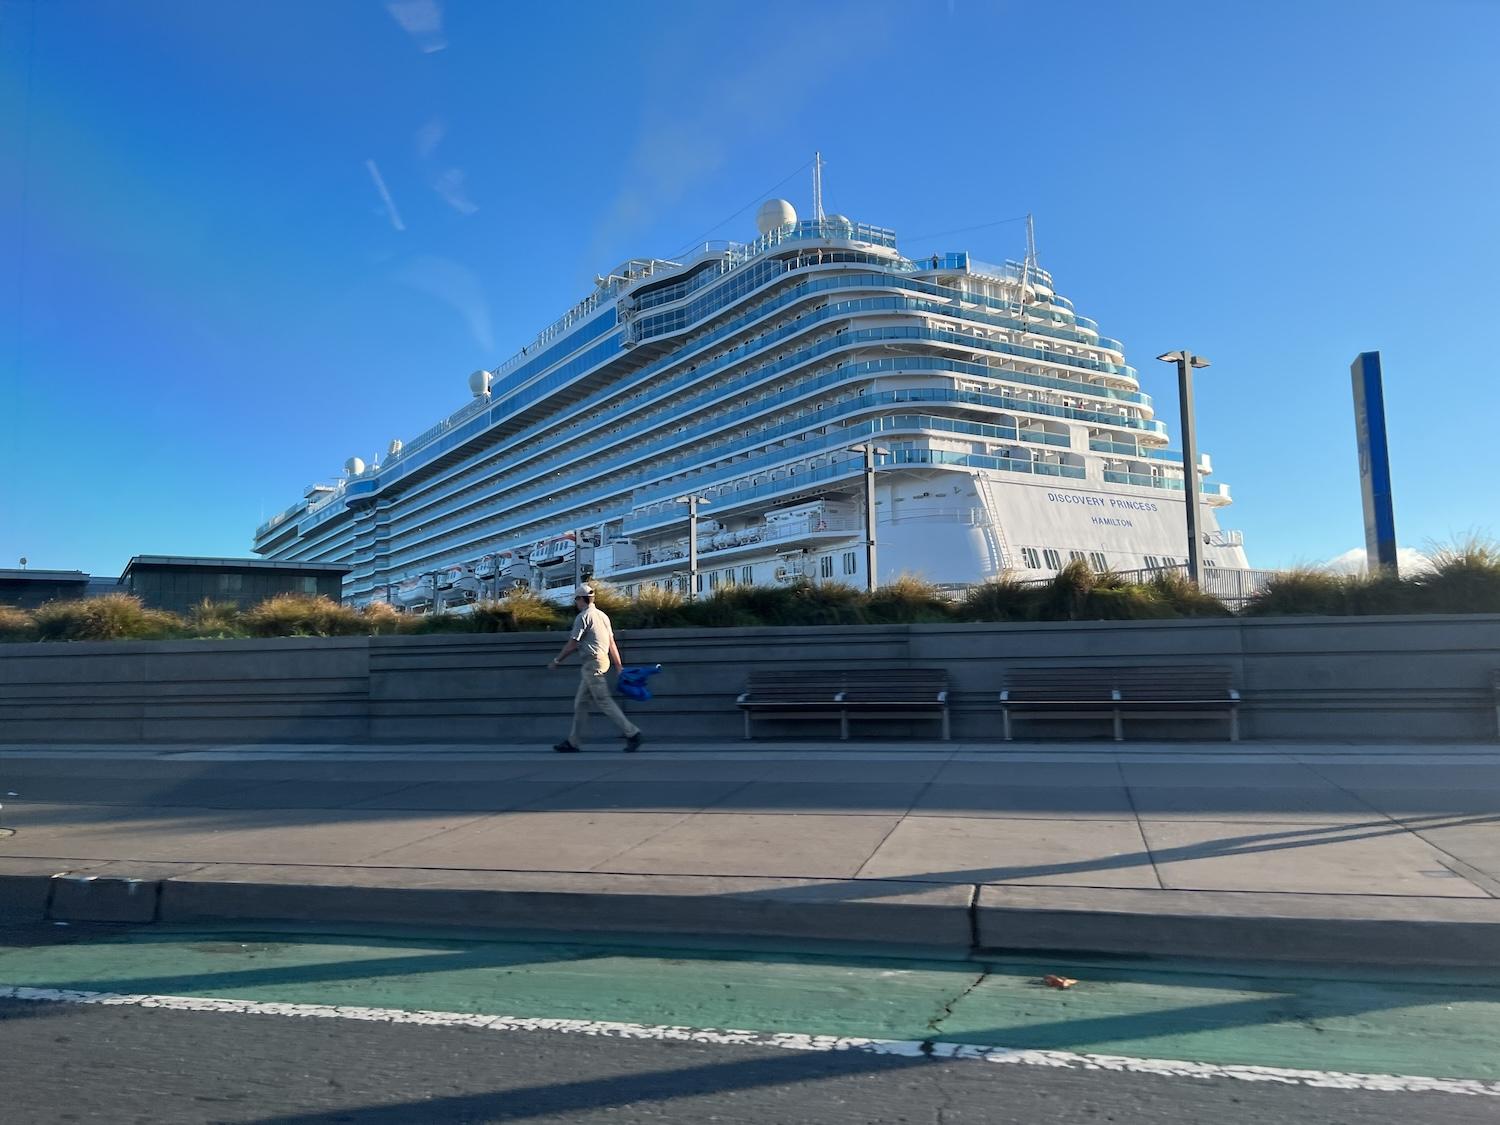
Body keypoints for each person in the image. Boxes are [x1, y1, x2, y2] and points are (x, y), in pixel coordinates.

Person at [547, 584, 642, 753]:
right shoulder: (603, 616)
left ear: (581, 599)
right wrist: (619, 666)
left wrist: (557, 660)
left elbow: (572, 644)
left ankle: (632, 733)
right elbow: (612, 643)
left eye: (576, 599)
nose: (575, 603)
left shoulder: (583, 617)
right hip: (601, 661)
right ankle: (573, 741)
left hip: (592, 664)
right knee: (581, 703)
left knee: (604, 701)